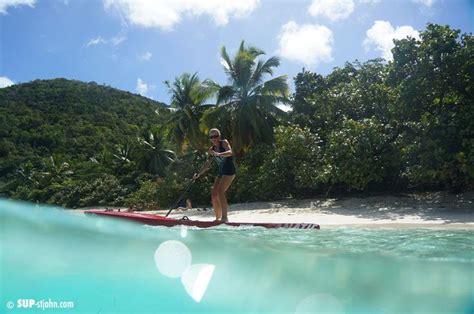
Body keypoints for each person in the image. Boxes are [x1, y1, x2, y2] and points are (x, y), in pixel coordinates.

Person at [193, 128, 236, 222]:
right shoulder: (211, 149)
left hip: (229, 171)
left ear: (219, 136)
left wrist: (218, 154)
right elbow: (207, 164)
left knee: (220, 191)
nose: (214, 138)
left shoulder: (224, 142)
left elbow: (230, 152)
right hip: (221, 172)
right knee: (214, 194)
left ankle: (225, 218)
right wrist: (199, 174)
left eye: (215, 136)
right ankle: (217, 218)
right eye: (211, 137)